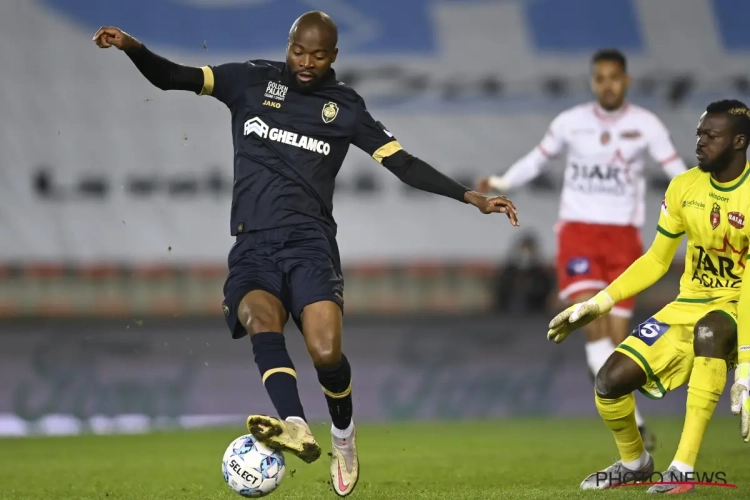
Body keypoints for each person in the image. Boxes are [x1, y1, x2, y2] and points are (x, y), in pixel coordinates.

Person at [93, 11, 519, 497]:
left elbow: (403, 164)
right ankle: (294, 423)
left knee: (325, 352)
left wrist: (470, 197)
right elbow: (173, 77)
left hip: (310, 244)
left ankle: (344, 435)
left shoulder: (345, 107)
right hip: (253, 243)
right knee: (259, 318)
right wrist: (132, 47)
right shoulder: (249, 81)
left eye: (317, 55)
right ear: (289, 45)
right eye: (299, 51)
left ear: (333, 56)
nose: (306, 62)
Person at [476, 49, 688, 449]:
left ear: (626, 80)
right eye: (600, 78)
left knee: (619, 339)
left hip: (624, 239)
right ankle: (637, 426)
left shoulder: (646, 124)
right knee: (592, 324)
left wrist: (705, 196)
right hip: (579, 234)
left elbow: (676, 170)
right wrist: (503, 182)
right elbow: (538, 159)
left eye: (614, 77)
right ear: (594, 82)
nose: (607, 85)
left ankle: (629, 416)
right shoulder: (571, 122)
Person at [547, 99, 750, 493]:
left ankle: (682, 468)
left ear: (739, 141)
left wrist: (746, 362)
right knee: (609, 381)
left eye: (711, 136)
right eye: (699, 134)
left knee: (709, 332)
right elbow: (657, 260)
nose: (700, 142)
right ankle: (634, 463)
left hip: (739, 305)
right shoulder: (684, 186)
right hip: (688, 304)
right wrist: (598, 303)